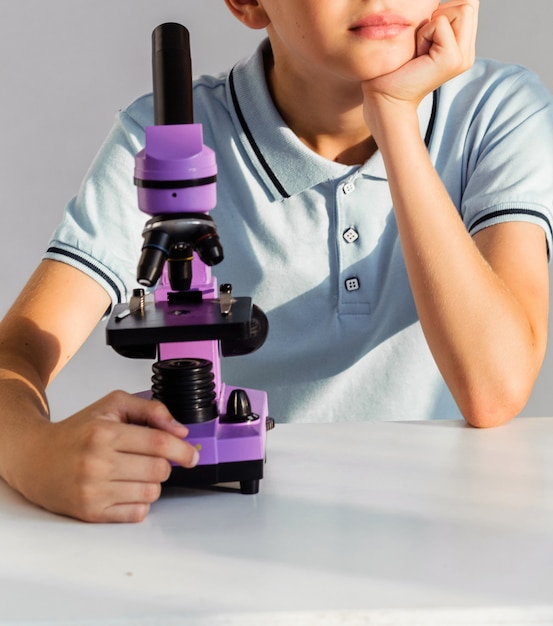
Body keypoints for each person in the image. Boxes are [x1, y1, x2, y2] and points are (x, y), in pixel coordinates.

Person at [0, 0, 552, 523]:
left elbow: (492, 389)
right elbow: (16, 351)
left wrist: (396, 120)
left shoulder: (498, 111)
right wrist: (33, 455)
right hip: (238, 536)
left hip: (448, 531)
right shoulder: (165, 139)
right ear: (246, 1)